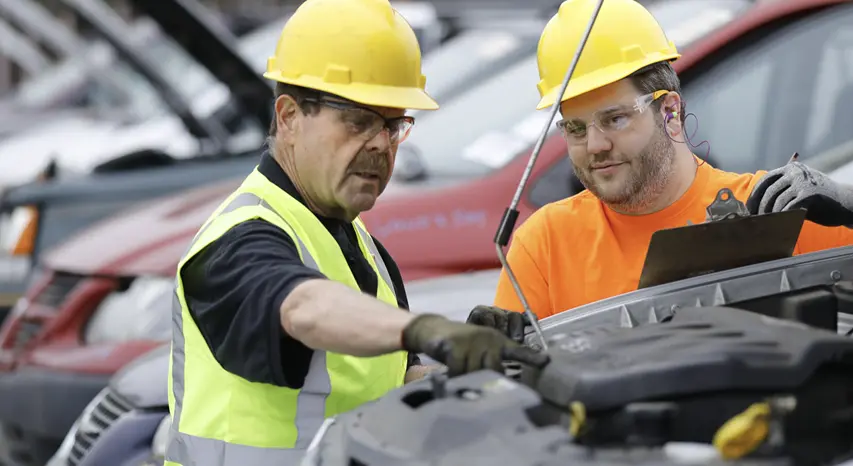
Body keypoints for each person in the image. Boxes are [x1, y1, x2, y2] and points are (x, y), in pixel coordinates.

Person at [163, 1, 547, 464]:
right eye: (358, 121)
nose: (381, 145)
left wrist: (465, 367)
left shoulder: (362, 245)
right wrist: (423, 329)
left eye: (392, 125)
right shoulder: (237, 241)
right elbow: (302, 307)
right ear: (288, 118)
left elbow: (383, 384)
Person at [467, 0, 853, 327]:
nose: (595, 145)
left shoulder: (773, 212)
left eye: (615, 118)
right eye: (575, 128)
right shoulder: (546, 243)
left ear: (669, 111)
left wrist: (848, 205)